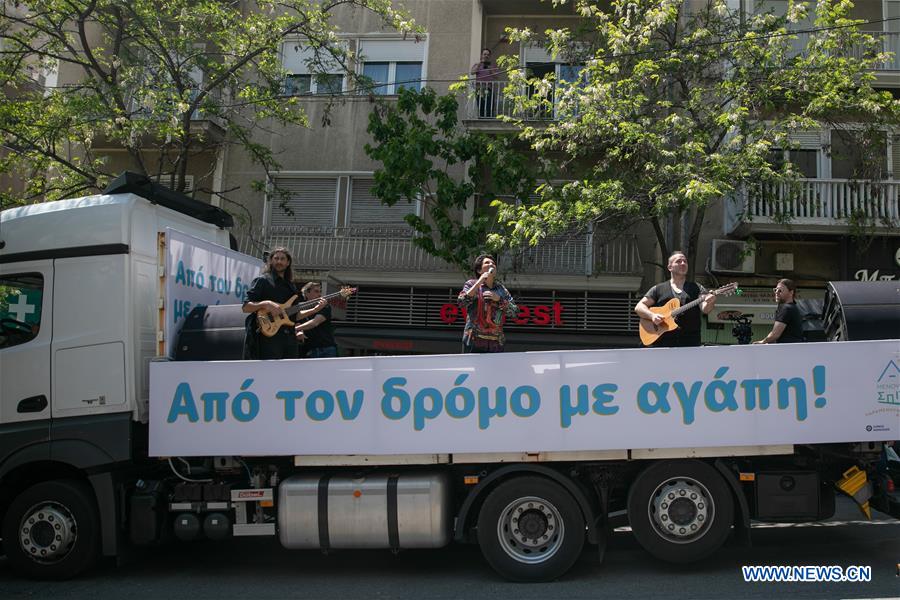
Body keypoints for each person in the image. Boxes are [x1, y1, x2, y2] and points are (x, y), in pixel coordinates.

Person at [634, 251, 717, 347]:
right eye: (679, 261)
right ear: (670, 267)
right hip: (663, 344)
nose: (683, 263)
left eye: (685, 261)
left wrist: (711, 302)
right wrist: (652, 316)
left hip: (690, 343)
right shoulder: (658, 289)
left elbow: (705, 309)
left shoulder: (697, 288)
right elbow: (639, 307)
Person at [242, 248, 305, 359]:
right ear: (271, 261)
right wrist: (265, 304)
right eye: (276, 258)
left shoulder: (291, 286)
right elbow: (246, 307)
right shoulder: (262, 281)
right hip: (268, 339)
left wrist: (315, 309)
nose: (279, 262)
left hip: (289, 339)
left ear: (288, 262)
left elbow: (296, 315)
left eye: (282, 259)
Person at [458, 254, 518, 353]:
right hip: (474, 341)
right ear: (479, 270)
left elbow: (515, 312)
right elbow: (461, 302)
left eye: (493, 263)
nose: (491, 264)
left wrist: (499, 299)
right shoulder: (471, 284)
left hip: (496, 343)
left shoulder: (501, 289)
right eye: (487, 263)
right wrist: (479, 282)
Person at [754, 278, 805, 344]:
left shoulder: (786, 308)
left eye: (780, 290)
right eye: (775, 290)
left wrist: (762, 342)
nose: (776, 292)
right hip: (793, 349)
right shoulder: (793, 307)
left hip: (786, 350)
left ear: (791, 292)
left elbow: (775, 334)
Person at [294, 281, 337, 358]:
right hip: (309, 349)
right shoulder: (300, 308)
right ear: (307, 293)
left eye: (320, 291)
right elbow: (297, 323)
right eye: (316, 291)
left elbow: (314, 323)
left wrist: (294, 329)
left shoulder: (324, 306)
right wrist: (299, 332)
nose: (319, 294)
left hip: (326, 348)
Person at [471, 48, 500, 118]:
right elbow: (472, 72)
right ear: (481, 55)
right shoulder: (477, 65)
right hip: (479, 89)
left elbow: (497, 76)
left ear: (489, 56)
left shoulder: (492, 66)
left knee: (489, 106)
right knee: (481, 106)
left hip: (488, 89)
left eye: (488, 54)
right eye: (484, 54)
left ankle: (489, 119)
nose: (486, 56)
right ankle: (481, 119)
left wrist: (490, 69)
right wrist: (479, 64)